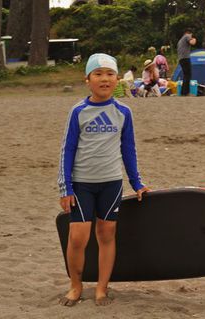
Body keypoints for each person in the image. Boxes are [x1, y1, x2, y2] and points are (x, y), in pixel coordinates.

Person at [58, 53, 150, 307]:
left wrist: (137, 183)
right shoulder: (79, 111)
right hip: (81, 185)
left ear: (117, 79)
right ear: (87, 79)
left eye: (110, 74)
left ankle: (101, 288)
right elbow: (67, 150)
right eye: (98, 74)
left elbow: (128, 150)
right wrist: (65, 187)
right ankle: (76, 286)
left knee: (106, 234)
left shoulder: (123, 112)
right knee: (78, 237)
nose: (104, 79)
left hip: (111, 183)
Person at [177, 29, 196, 96]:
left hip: (181, 59)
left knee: (185, 75)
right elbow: (192, 43)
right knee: (188, 75)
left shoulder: (180, 40)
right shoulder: (187, 36)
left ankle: (183, 92)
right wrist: (194, 39)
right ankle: (186, 92)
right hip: (185, 58)